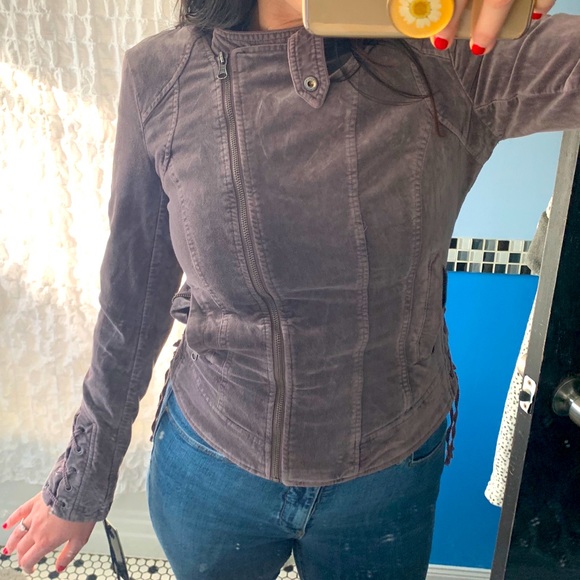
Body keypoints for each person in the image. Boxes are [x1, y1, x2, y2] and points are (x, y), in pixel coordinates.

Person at [3, 0, 578, 578]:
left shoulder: (448, 54)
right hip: (210, 467)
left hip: (387, 477)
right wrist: (84, 477)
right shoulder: (161, 74)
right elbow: (131, 297)